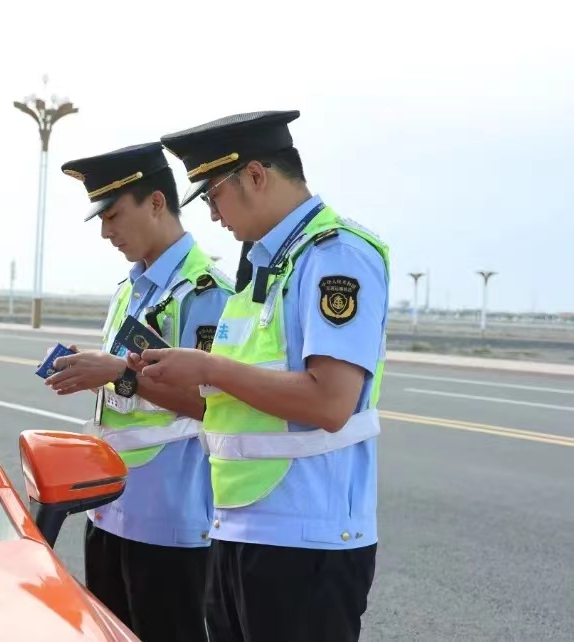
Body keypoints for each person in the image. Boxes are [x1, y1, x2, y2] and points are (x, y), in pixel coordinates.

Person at [132, 111, 390, 641]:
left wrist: (210, 367)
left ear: (255, 175)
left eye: (214, 196)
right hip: (238, 529)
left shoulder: (335, 256)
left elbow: (330, 403)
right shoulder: (263, 270)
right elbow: (235, 404)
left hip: (304, 541)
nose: (212, 214)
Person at [43, 142, 234, 641]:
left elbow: (212, 405)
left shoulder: (205, 292)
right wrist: (95, 370)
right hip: (111, 506)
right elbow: (130, 389)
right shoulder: (129, 290)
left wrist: (115, 374)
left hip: (169, 517)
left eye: (113, 215)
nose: (106, 232)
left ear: (155, 202)